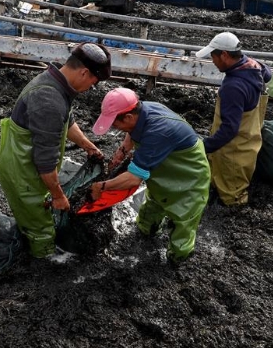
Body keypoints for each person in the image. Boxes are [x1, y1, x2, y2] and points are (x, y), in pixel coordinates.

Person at [0, 43, 112, 258]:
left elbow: (66, 120)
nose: (90, 88)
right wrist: (58, 196)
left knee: (35, 215)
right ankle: (44, 263)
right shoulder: (49, 100)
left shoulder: (57, 81)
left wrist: (88, 146)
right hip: (23, 169)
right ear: (84, 72)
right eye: (92, 83)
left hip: (29, 161)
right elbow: (45, 162)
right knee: (41, 227)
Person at [89, 88, 210, 264]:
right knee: (154, 204)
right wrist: (122, 151)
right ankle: (146, 230)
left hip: (188, 174)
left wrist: (100, 187)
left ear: (129, 117)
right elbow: (132, 132)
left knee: (184, 218)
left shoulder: (158, 131)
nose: (114, 128)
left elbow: (133, 179)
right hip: (164, 168)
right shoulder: (142, 111)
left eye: (115, 124)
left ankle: (178, 258)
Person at [195, 32, 272, 206]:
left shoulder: (233, 87)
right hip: (248, 143)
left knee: (232, 196)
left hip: (233, 151)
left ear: (224, 55)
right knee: (228, 179)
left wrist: (204, 146)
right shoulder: (254, 66)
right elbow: (268, 75)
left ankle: (234, 210)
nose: (213, 62)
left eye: (213, 57)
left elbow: (230, 129)